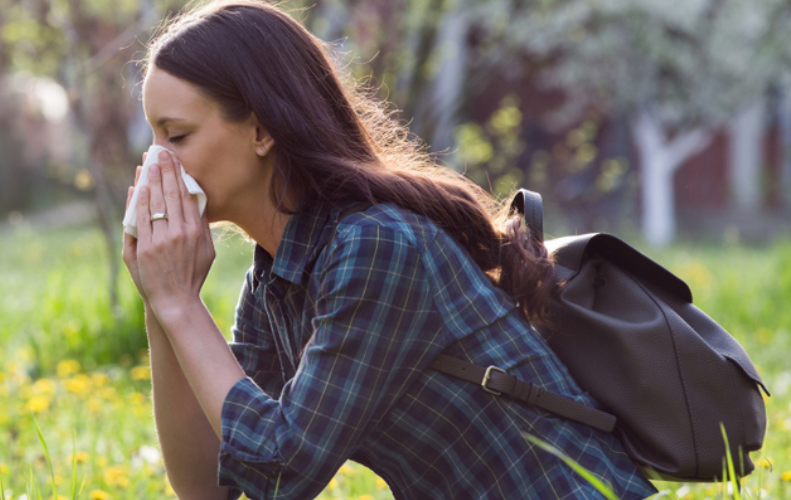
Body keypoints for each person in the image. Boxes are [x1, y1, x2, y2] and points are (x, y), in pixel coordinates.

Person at [120, 1, 659, 499]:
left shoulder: (374, 245)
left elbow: (283, 470)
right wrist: (160, 298)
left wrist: (182, 306)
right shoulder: (275, 279)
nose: (155, 163)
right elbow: (205, 487)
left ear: (261, 130)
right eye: (153, 137)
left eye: (177, 136)